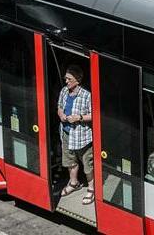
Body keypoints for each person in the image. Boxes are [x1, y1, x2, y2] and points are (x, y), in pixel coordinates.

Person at [57, 65, 94, 205]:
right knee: (70, 161)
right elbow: (59, 107)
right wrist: (61, 114)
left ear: (78, 80)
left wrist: (78, 117)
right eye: (66, 78)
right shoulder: (64, 91)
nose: (66, 81)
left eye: (69, 79)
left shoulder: (87, 95)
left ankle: (91, 189)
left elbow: (94, 115)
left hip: (82, 137)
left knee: (87, 163)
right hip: (66, 133)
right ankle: (74, 183)